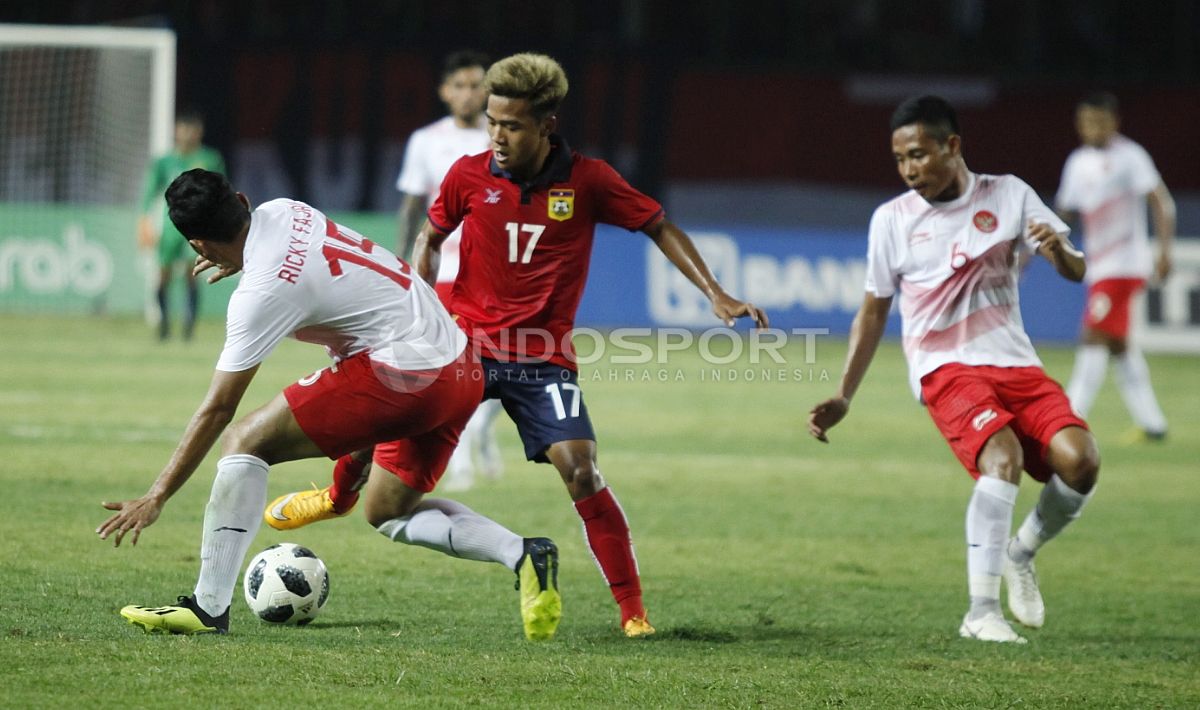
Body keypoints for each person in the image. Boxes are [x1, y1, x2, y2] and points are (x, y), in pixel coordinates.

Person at [267, 53, 767, 638]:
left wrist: (716, 293)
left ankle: (633, 613)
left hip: (540, 358)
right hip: (461, 350)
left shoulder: (590, 182)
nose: (498, 137)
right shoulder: (468, 174)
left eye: (512, 125)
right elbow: (430, 237)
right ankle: (337, 495)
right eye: (492, 122)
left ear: (547, 122)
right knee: (384, 425)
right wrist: (420, 308)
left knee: (581, 470)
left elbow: (657, 224)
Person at [99, 169, 562, 642]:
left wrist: (157, 495)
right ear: (241, 198)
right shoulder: (286, 209)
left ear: (197, 245)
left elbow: (219, 409)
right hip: (459, 363)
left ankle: (207, 607)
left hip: (408, 372)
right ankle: (524, 552)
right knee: (390, 512)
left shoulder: (260, 293)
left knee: (243, 441)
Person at [808, 96, 1100, 644]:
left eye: (918, 154)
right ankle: (981, 612)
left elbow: (1075, 268)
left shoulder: (1009, 194)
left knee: (1081, 463)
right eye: (900, 160)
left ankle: (1021, 552)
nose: (909, 169)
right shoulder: (892, 220)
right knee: (1002, 458)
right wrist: (844, 394)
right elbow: (872, 311)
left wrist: (1058, 248)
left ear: (952, 146)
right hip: (945, 368)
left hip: (1016, 362)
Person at [394, 49, 503, 491]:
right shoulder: (425, 140)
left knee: (508, 363)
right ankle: (457, 452)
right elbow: (411, 206)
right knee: (448, 367)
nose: (467, 93)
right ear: (444, 91)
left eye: (476, 85)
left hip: (494, 271)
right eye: (459, 85)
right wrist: (400, 264)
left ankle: (482, 430)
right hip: (441, 270)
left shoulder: (502, 138)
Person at [1057, 92, 1173, 441]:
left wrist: (1163, 251)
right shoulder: (1077, 162)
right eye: (1086, 121)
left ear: (1114, 122)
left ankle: (1070, 417)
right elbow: (1067, 210)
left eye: (1099, 120)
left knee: (1091, 334)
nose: (1092, 127)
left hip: (1126, 265)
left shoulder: (1130, 156)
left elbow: (1161, 202)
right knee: (1119, 346)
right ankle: (1153, 425)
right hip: (1099, 265)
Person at [137, 111, 226, 340]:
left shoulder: (210, 158)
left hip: (198, 227)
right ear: (177, 131)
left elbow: (221, 191)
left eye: (191, 129)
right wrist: (144, 222)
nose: (187, 134)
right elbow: (149, 194)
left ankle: (188, 329)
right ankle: (164, 326)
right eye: (183, 129)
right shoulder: (164, 162)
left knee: (192, 274)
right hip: (169, 228)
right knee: (163, 275)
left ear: (199, 132)